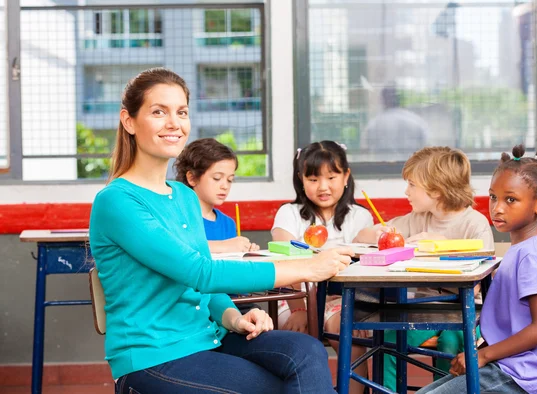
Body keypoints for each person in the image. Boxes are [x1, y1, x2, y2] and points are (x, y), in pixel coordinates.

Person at [89, 68, 354, 394]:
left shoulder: (184, 195)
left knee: (306, 351)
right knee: (276, 387)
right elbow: (200, 272)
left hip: (208, 337)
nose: (174, 123)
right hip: (153, 357)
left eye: (181, 112)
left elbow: (203, 287)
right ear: (129, 121)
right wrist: (308, 267)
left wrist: (232, 317)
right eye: (159, 112)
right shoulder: (117, 201)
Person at [416, 145, 537, 393]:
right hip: (508, 365)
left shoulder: (533, 255)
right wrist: (479, 353)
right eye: (493, 197)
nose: (497, 208)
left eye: (511, 199)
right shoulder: (520, 250)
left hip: (526, 375)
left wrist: (484, 355)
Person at [353, 146, 494, 391]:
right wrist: (379, 232)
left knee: (450, 342)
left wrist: (441, 248)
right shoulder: (418, 217)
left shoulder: (475, 224)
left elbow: (482, 274)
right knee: (387, 343)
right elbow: (361, 238)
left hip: (468, 312)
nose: (406, 191)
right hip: (423, 309)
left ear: (437, 190)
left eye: (412, 185)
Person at [271, 140, 374, 394]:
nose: (323, 187)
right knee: (297, 337)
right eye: (314, 179)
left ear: (346, 176)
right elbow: (286, 261)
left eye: (332, 177)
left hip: (343, 299)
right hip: (295, 297)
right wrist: (300, 309)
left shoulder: (360, 216)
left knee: (347, 329)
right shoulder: (289, 213)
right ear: (301, 179)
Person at [174, 137, 259, 253]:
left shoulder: (228, 223)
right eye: (217, 178)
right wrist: (224, 246)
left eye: (230, 180)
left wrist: (245, 250)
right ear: (192, 178)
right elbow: (176, 249)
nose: (225, 186)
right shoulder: (178, 217)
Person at [361, 83, 428, 161]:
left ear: (383, 100)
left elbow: (365, 150)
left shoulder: (374, 124)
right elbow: (426, 148)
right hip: (410, 168)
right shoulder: (416, 121)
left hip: (381, 170)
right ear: (400, 98)